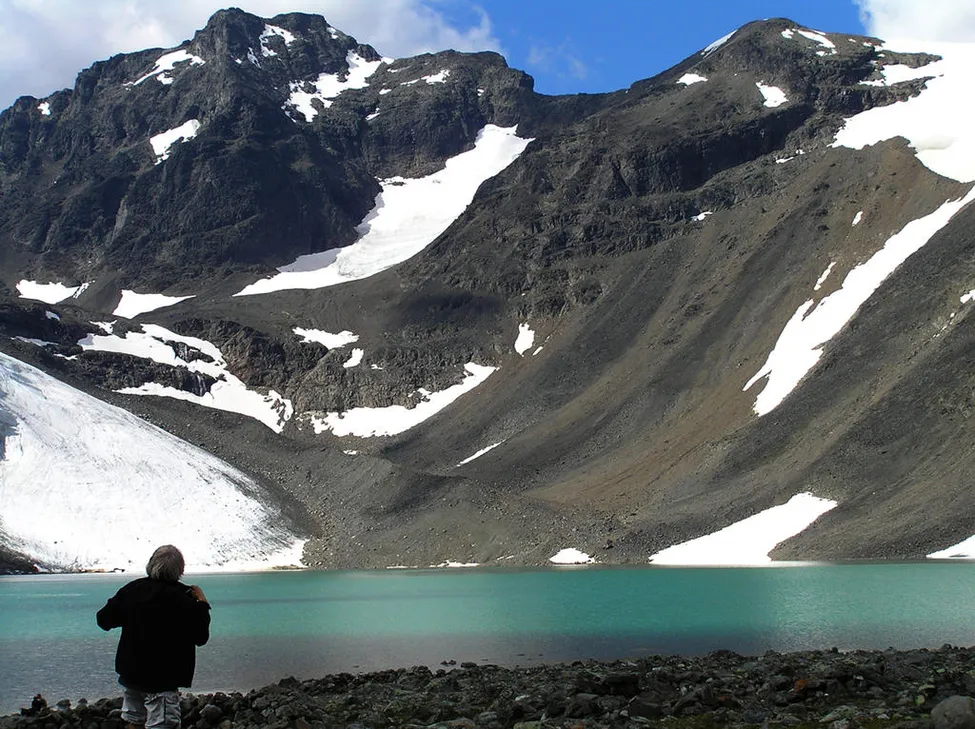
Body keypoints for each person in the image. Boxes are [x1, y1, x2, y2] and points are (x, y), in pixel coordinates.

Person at [96, 545, 211, 729]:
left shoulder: (132, 590)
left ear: (151, 564)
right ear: (180, 570)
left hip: (131, 673)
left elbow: (103, 619)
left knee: (134, 722)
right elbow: (201, 637)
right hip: (164, 678)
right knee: (162, 724)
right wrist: (202, 604)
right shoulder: (185, 598)